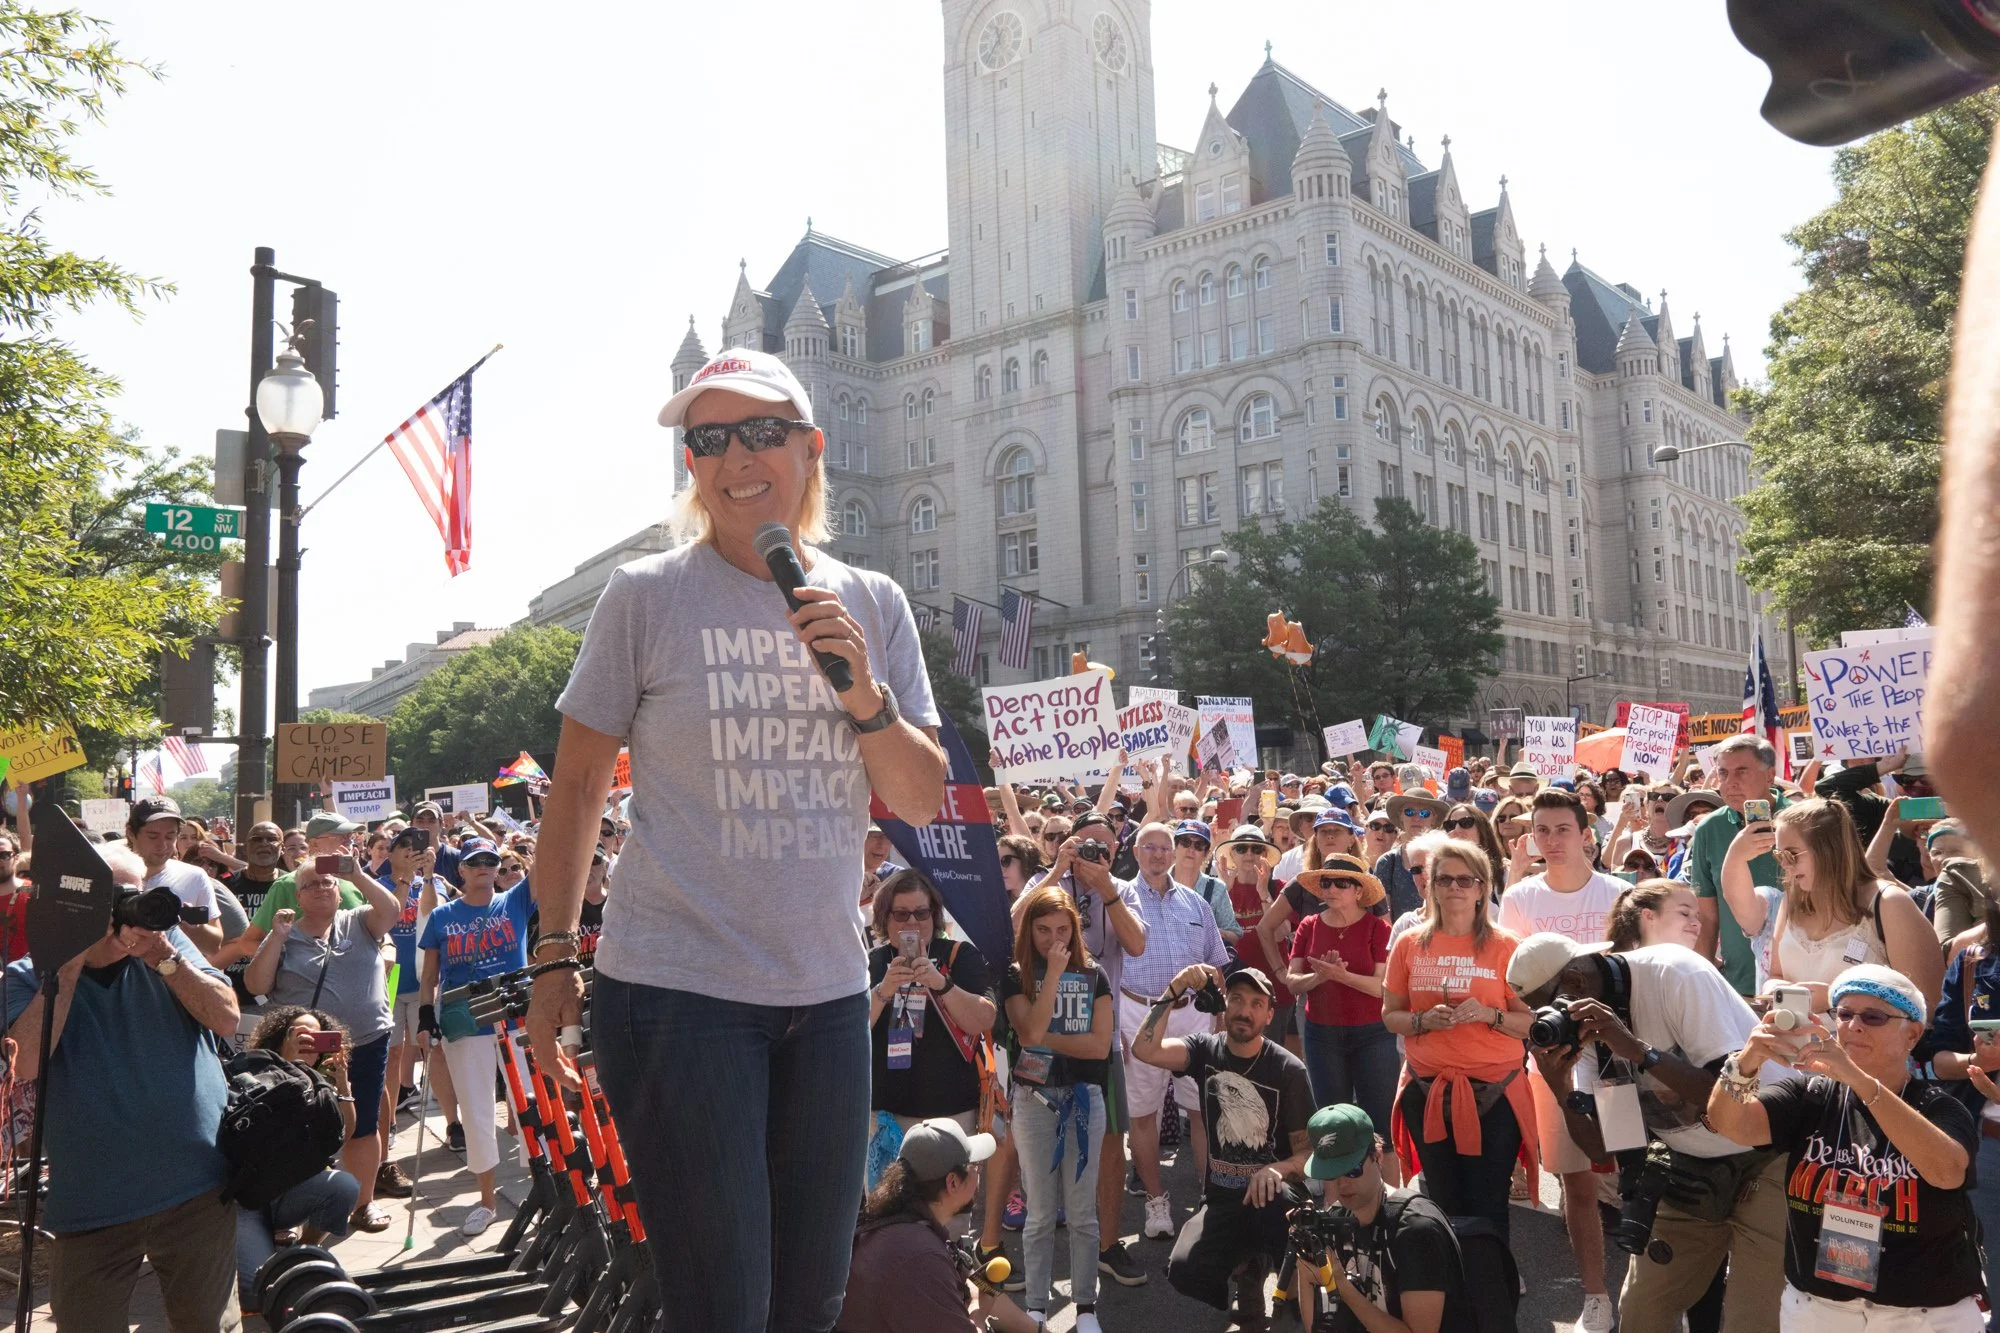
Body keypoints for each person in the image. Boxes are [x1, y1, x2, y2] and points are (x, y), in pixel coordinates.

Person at [523, 346, 948, 1333]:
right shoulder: (645, 594)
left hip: (826, 996)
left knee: (811, 1304)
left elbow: (920, 799)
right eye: (707, 437)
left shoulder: (873, 602)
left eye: (761, 431)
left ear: (811, 447)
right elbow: (576, 786)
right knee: (724, 1306)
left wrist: (863, 693)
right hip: (677, 994)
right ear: (691, 463)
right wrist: (551, 956)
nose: (735, 456)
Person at [3, 843, 242, 1332]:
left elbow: (226, 1018)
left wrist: (164, 958)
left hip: (196, 1189)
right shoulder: (29, 975)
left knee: (209, 1324)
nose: (125, 911)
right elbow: (23, 1063)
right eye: (110, 899)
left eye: (133, 894)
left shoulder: (167, 946)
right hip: (93, 1202)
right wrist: (69, 962)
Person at [1510, 931, 1783, 1333]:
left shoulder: (1675, 974)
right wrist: (1560, 1087)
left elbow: (1734, 1097)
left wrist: (1638, 1050)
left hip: (1767, 1153)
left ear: (1574, 982)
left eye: (1549, 1006)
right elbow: (1605, 1148)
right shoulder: (1585, 1029)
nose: (1551, 1018)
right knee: (1642, 1311)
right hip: (1690, 1168)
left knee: (1751, 1319)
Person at [1706, 965, 1985, 1331]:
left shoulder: (1939, 1107)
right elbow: (1730, 1124)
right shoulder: (1810, 1095)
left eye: (1873, 1017)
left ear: (1913, 1035)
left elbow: (1947, 1172)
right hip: (1817, 1309)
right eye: (1844, 1014)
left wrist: (1856, 1078)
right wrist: (1746, 1061)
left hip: (1922, 1316)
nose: (1854, 1026)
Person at [1497, 787, 1635, 1333]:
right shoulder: (1520, 899)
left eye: (1562, 830)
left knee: (1634, 1176)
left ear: (1586, 835)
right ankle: (1595, 1297)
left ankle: (1647, 1292)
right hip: (1553, 1062)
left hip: (1618, 1060)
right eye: (1542, 830)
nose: (1551, 840)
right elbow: (1513, 989)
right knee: (1576, 1184)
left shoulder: (1620, 894)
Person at [1129, 962, 1311, 1333]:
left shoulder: (1288, 1070)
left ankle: (1286, 1291)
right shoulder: (1204, 1050)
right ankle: (1247, 1268)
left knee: (1283, 1222)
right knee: (1184, 1269)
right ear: (1225, 1004)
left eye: (1256, 1004)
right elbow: (1144, 1049)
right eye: (1238, 999)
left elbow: (1308, 1154)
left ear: (1269, 1014)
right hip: (1222, 1196)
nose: (1245, 1011)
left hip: (1274, 1196)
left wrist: (1276, 1169)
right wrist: (1175, 987)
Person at [1382, 841, 1537, 1240]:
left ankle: (1491, 1275)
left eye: (1465, 880)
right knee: (1443, 1204)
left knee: (1489, 1204)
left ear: (1482, 888)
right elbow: (1390, 1015)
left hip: (1495, 1092)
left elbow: (1529, 1023)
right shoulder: (1408, 943)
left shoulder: (1507, 946)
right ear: (1431, 886)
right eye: (1444, 879)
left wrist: (1490, 1015)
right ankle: (1450, 1277)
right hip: (1427, 1088)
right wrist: (1422, 1020)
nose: (1454, 887)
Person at [242, 856, 403, 1232]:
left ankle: (363, 1203)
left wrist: (357, 874)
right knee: (299, 1128)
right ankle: (291, 1212)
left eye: (327, 882)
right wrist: (276, 937)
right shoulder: (284, 933)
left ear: (339, 890)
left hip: (365, 1042)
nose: (320, 889)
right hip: (306, 1050)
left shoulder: (360, 920)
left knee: (364, 1124)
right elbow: (256, 984)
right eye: (310, 885)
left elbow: (392, 911)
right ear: (297, 896)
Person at [1000, 885, 1115, 1332]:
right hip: (1034, 1100)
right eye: (1043, 930)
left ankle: (1086, 1307)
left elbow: (1099, 1046)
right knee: (1040, 1213)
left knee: (1083, 1212)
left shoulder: (1095, 975)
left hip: (1085, 1097)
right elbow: (1028, 1035)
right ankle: (1036, 1306)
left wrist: (1043, 1036)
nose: (1054, 939)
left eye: (1062, 930)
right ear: (1029, 931)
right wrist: (1051, 977)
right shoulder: (1015, 976)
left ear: (1075, 929)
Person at [1112, 821, 1230, 1240]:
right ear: (1136, 852)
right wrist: (1114, 1023)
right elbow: (1105, 967)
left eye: (1166, 847)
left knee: (1202, 1110)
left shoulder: (1196, 902)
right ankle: (1155, 1200)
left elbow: (1216, 965)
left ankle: (1210, 1197)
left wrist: (1219, 1020)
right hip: (1138, 1013)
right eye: (1151, 847)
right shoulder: (1119, 900)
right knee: (1142, 1114)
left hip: (1193, 1014)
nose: (1159, 854)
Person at [418, 837, 536, 1237]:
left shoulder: (516, 899)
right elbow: (429, 976)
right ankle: (486, 1202)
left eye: (491, 860)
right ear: (462, 870)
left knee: (531, 1103)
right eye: (476, 861)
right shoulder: (441, 916)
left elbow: (549, 863)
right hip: (464, 1019)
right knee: (476, 1109)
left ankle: (543, 1189)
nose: (485, 866)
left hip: (516, 1016)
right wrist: (424, 1017)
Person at [1741, 798, 1944, 1021]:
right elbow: (1776, 974)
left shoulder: (1889, 903)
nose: (1785, 865)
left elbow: (1927, 1005)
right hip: (1793, 1041)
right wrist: (1775, 988)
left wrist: (1835, 997)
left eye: (1791, 855)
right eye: (1779, 856)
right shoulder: (1793, 897)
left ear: (1829, 850)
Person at [839, 1118, 1039, 1333]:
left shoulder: (902, 1225)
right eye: (975, 1166)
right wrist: (978, 1312)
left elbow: (984, 1294)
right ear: (953, 1182)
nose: (979, 1173)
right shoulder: (921, 1257)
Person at [1290, 1104, 1472, 1333]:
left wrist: (1342, 1286)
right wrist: (1306, 1268)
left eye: (1352, 1170)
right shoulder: (1337, 1220)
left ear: (1377, 1156)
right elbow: (1316, 1328)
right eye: (1331, 1172)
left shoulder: (1416, 1230)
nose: (1341, 1183)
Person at [235, 1005, 362, 1313]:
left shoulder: (321, 1084)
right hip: (246, 1202)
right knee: (255, 1295)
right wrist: (291, 1062)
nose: (310, 1042)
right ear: (281, 1037)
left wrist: (342, 1085)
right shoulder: (254, 1069)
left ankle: (304, 1254)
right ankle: (255, 1247)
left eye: (318, 1037)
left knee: (344, 1186)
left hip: (288, 1194)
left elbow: (343, 1135)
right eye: (302, 1035)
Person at [868, 869, 997, 1140]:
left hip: (953, 1115)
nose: (912, 922)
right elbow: (851, 1030)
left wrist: (941, 984)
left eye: (921, 913)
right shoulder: (872, 962)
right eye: (901, 914)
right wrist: (883, 991)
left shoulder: (959, 955)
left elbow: (984, 1019)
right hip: (886, 1120)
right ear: (884, 918)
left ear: (934, 915)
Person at [1282, 855, 1398, 1156]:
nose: (1331, 889)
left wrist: (1341, 976)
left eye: (1341, 883)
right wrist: (1319, 977)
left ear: (1359, 891)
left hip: (1374, 1035)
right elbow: (1292, 982)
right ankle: (1338, 1186)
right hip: (1322, 1035)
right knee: (1331, 1127)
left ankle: (1385, 1186)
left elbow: (1382, 988)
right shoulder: (1309, 925)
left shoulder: (1378, 928)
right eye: (1326, 883)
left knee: (1381, 1129)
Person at [1689, 736, 1790, 998]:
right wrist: (1704, 980)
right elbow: (1707, 915)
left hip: (1797, 984)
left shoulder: (1802, 821)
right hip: (1737, 987)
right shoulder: (1709, 829)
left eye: (1741, 772)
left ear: (1770, 776)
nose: (1730, 783)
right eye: (1723, 773)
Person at [124, 795, 225, 956]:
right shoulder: (111, 876)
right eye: (153, 836)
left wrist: (195, 929)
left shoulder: (195, 877)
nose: (162, 845)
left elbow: (214, 946)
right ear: (131, 833)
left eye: (170, 837)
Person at [1375, 794, 1448, 920]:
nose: (1417, 818)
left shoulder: (1447, 858)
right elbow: (1382, 913)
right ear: (1400, 816)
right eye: (1409, 812)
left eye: (1424, 813)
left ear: (1434, 818)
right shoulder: (1387, 862)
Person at [1170, 820, 1237, 946]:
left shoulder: (1216, 888)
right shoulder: (1156, 883)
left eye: (1198, 845)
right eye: (1185, 842)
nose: (1191, 849)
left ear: (1206, 854)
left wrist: (1215, 933)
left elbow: (1235, 934)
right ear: (1174, 848)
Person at [1605, 879, 1705, 954]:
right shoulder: (1620, 969)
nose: (1697, 923)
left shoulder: (1697, 968)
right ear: (1649, 916)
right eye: (1684, 913)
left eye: (1697, 916)